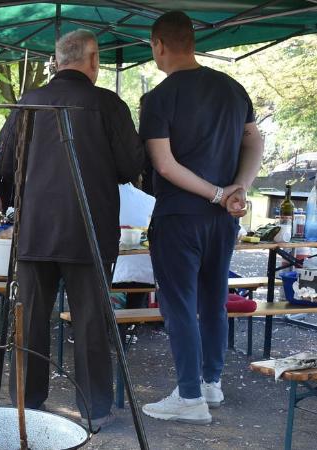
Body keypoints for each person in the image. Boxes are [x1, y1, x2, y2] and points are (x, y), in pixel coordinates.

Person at [5, 29, 145, 431]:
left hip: (35, 230)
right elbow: (129, 166)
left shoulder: (29, 101)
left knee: (29, 319)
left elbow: (4, 163)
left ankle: (26, 407)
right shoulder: (107, 105)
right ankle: (95, 409)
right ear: (92, 60)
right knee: (90, 322)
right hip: (90, 229)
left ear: (57, 60)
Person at [139, 11, 263, 424]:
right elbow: (254, 140)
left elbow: (164, 163)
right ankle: (211, 382)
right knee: (213, 301)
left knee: (179, 305)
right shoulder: (233, 88)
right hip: (223, 219)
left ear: (158, 45)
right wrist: (237, 190)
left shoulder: (158, 98)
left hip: (179, 216)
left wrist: (215, 193)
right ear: (192, 41)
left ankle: (189, 395)